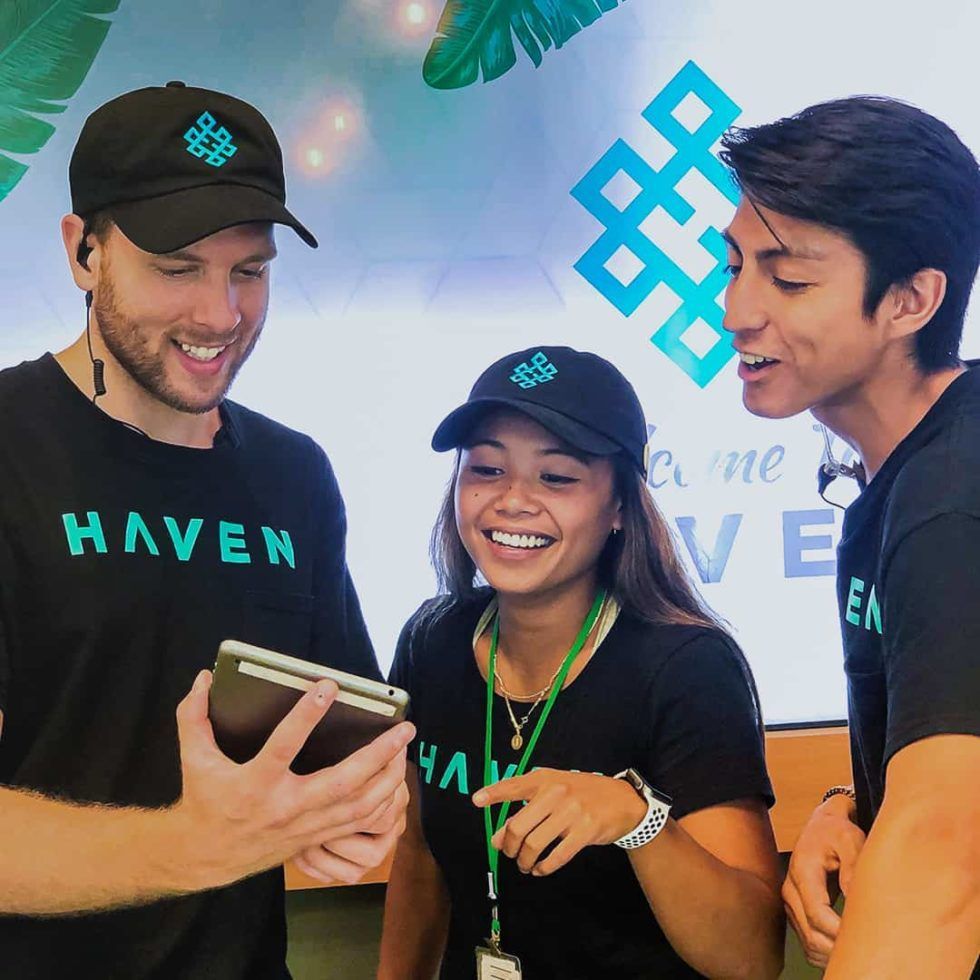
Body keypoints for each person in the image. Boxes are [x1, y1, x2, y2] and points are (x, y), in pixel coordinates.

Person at [0, 82, 412, 978]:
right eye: (177, 267)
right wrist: (194, 845)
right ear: (84, 252)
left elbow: (342, 736)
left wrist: (356, 810)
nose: (220, 316)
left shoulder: (292, 475)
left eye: (249, 271)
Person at [377, 346, 784, 979]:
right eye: (485, 469)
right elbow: (419, 854)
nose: (512, 501)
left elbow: (751, 958)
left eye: (557, 477)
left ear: (620, 506)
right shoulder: (431, 639)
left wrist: (636, 819)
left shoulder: (687, 667)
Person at [720, 96, 980, 977]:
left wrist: (899, 826)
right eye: (734, 266)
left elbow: (945, 853)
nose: (737, 311)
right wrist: (849, 802)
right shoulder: (907, 467)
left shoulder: (954, 500)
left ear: (911, 299)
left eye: (788, 279)